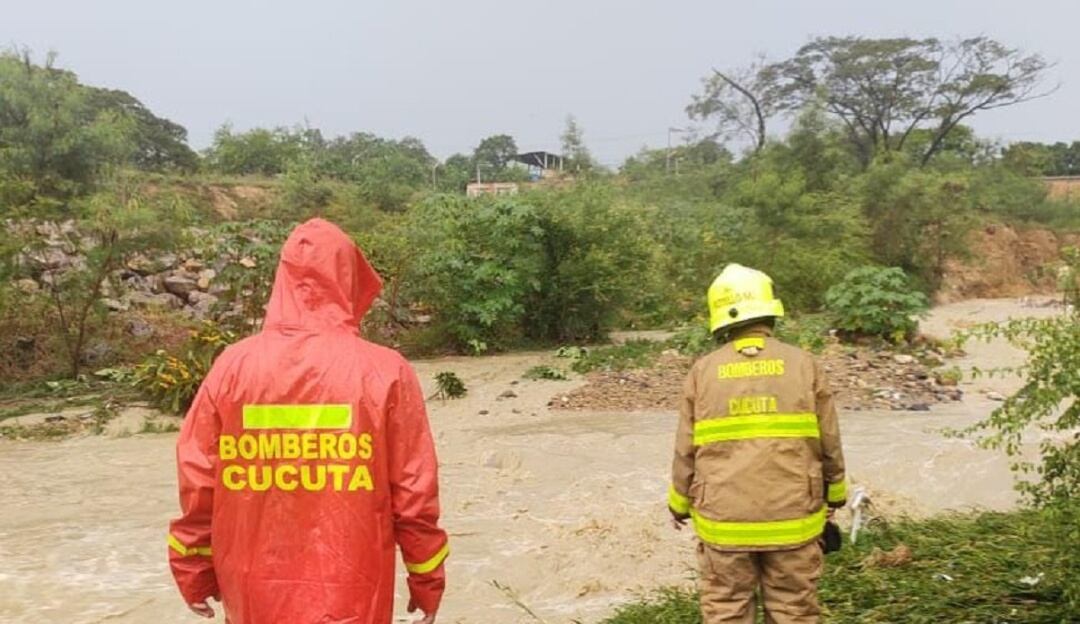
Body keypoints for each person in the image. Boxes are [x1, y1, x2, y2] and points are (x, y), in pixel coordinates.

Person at [168, 218, 448, 624]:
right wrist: (427, 580)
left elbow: (198, 482)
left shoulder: (232, 367)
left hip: (253, 597)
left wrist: (193, 571)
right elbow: (414, 493)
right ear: (349, 278)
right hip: (353, 595)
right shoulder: (386, 371)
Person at [668, 263, 846, 624]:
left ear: (721, 318)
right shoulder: (803, 365)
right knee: (794, 611)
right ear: (769, 311)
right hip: (794, 518)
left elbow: (686, 447)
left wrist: (679, 502)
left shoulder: (703, 371)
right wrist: (836, 494)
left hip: (723, 523)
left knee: (726, 609)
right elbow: (829, 440)